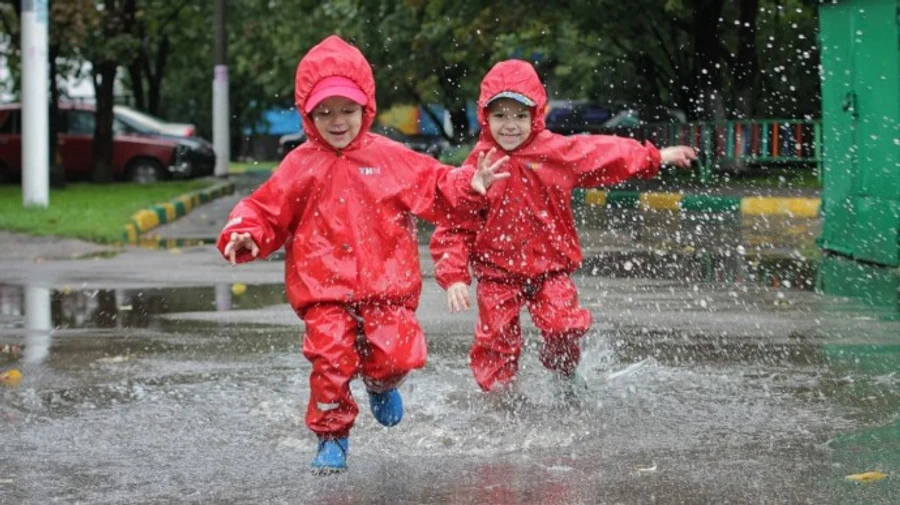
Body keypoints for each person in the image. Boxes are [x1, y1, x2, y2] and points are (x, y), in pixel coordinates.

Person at [217, 35, 508, 475]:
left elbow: (434, 183)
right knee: (330, 362)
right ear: (308, 114)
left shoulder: (389, 157)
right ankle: (332, 437)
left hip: (386, 287)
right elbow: (265, 208)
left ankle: (380, 382)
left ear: (366, 108)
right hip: (324, 293)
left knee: (396, 355)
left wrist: (469, 184)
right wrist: (246, 232)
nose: (337, 121)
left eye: (347, 110)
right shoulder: (299, 165)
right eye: (325, 112)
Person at [429, 59, 696, 397]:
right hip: (497, 274)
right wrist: (454, 275)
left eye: (520, 116)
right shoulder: (480, 165)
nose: (510, 126)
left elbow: (603, 153)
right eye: (500, 116)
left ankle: (564, 371)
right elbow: (455, 221)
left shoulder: (555, 152)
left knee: (565, 326)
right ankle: (500, 397)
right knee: (496, 340)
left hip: (550, 269)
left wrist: (657, 157)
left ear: (535, 115)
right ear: (485, 117)